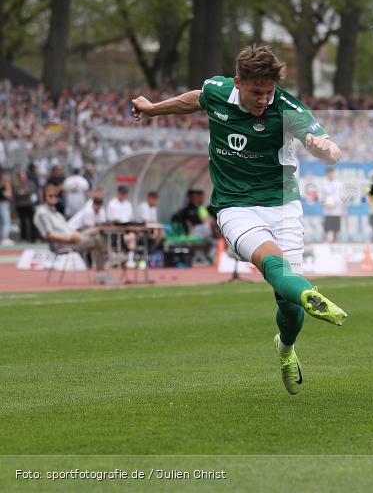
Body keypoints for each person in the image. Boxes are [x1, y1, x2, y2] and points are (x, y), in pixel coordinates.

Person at [132, 43, 347, 395]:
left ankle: (286, 346)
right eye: (256, 92)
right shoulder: (219, 92)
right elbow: (195, 98)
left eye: (268, 92)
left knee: (289, 309)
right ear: (237, 83)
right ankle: (310, 293)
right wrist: (153, 109)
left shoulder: (288, 107)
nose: (264, 99)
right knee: (273, 266)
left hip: (283, 205)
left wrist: (326, 150)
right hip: (234, 205)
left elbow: (329, 146)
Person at [33, 185, 110, 282]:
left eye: (55, 196)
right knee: (97, 239)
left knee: (96, 231)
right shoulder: (42, 213)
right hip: (62, 243)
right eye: (50, 196)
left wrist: (75, 234)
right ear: (44, 198)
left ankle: (104, 266)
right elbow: (49, 235)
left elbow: (68, 228)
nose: (54, 198)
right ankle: (108, 261)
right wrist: (69, 239)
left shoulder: (57, 214)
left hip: (73, 237)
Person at [13, 170, 38, 242]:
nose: (22, 177)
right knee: (22, 222)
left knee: (32, 221)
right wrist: (24, 192)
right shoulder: (16, 184)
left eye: (23, 176)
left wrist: (23, 192)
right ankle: (24, 238)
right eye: (20, 176)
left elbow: (32, 191)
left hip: (29, 205)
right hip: (20, 205)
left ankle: (34, 238)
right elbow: (16, 193)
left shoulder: (30, 183)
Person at [320, 167, 344, 243]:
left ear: (334, 173)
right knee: (326, 229)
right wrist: (325, 204)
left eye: (331, 172)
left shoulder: (339, 184)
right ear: (327, 174)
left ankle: (335, 245)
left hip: (336, 211)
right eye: (329, 173)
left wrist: (343, 209)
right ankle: (325, 244)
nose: (330, 174)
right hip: (327, 211)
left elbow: (342, 197)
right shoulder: (324, 185)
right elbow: (321, 198)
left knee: (335, 231)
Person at [0, 171, 13, 246]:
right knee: (6, 221)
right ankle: (5, 238)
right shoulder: (4, 186)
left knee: (3, 222)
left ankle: (3, 238)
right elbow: (9, 195)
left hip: (3, 204)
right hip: (3, 204)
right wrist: (9, 187)